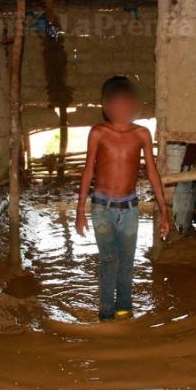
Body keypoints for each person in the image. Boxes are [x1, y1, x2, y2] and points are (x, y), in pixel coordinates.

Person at [76, 76, 171, 321]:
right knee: (109, 260)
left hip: (129, 207)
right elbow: (88, 170)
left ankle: (124, 309)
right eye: (117, 105)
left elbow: (151, 171)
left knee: (127, 261)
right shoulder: (99, 133)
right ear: (107, 108)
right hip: (102, 207)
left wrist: (164, 210)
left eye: (127, 105)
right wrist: (79, 210)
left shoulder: (141, 134)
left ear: (133, 107)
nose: (122, 110)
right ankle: (106, 313)